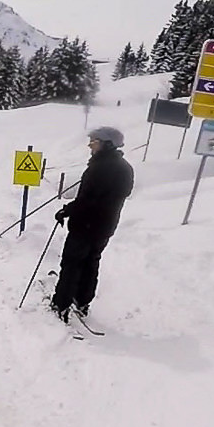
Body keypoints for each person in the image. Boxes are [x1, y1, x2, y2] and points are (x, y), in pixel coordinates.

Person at [51, 127, 134, 323]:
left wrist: (66, 211)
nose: (90, 145)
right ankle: (82, 302)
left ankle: (60, 304)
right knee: (91, 263)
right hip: (105, 227)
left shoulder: (99, 167)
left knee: (72, 264)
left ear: (107, 143)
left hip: (84, 225)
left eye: (94, 141)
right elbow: (123, 193)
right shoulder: (125, 167)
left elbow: (87, 200)